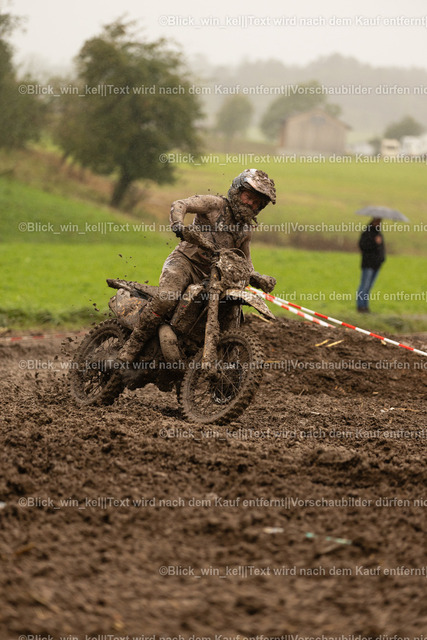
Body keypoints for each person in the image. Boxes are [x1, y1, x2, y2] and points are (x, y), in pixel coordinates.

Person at [118, 169, 277, 364]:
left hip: (214, 277)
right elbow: (180, 204)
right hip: (185, 262)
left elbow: (245, 261)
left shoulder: (245, 230)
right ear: (237, 191)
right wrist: (178, 225)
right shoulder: (215, 205)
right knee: (167, 297)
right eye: (248, 197)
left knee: (232, 310)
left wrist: (257, 277)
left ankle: (224, 362)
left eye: (256, 202)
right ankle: (134, 343)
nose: (251, 204)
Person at [356, 217, 385, 313]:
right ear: (373, 221)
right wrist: (374, 242)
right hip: (368, 264)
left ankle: (365, 306)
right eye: (377, 221)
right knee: (364, 286)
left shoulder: (379, 234)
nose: (379, 223)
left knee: (369, 287)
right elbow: (363, 246)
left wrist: (382, 259)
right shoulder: (367, 233)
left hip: (376, 265)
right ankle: (360, 306)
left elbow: (381, 249)